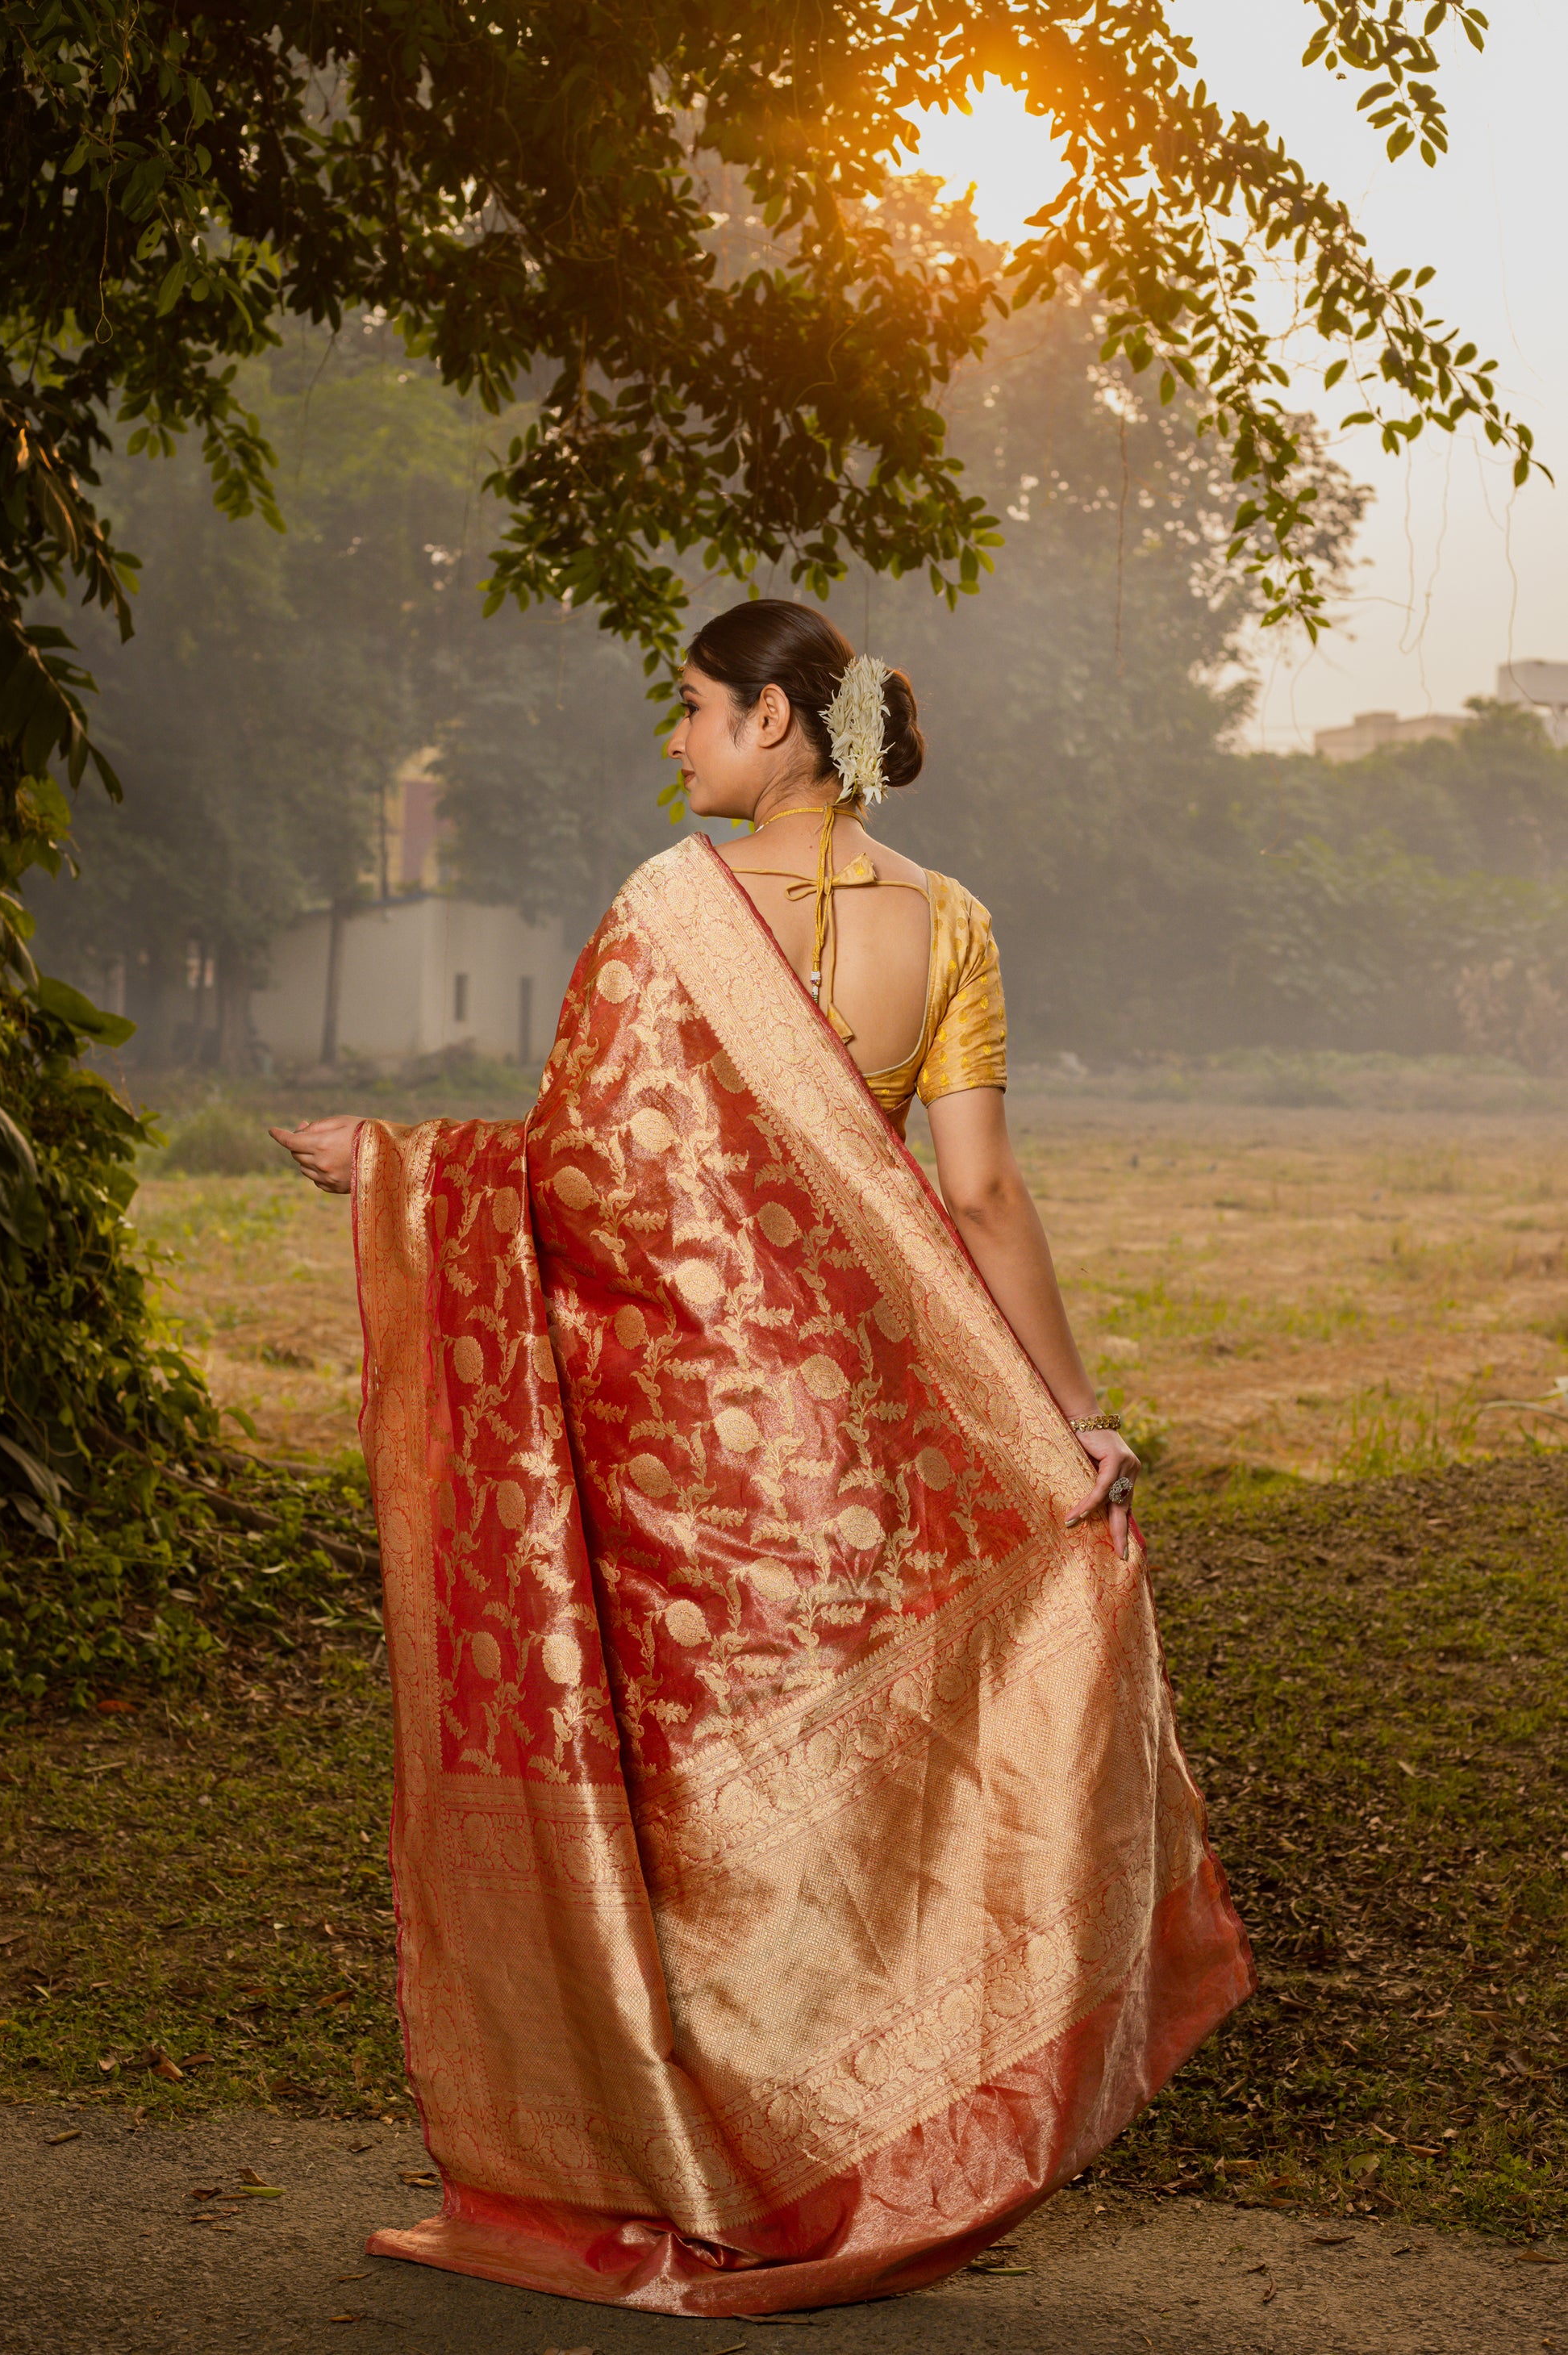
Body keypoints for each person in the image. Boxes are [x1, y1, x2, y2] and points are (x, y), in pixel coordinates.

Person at [271, 599, 1251, 2315]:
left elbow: (587, 1172)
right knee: (847, 1799)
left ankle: (706, 2165)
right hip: (870, 1434)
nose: (677, 740)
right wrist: (1069, 1416)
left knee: (696, 1813)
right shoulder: (950, 922)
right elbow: (980, 1194)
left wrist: (396, 1169)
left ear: (782, 725)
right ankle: (843, 2151)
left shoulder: (668, 907)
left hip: (684, 1455)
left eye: (698, 710)